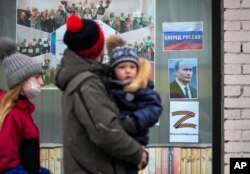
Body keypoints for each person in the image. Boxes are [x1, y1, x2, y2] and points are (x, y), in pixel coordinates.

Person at [54, 15, 148, 174]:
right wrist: (138, 154)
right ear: (97, 49)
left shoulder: (81, 78)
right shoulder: (87, 84)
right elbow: (106, 130)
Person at [106, 35, 163, 174]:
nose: (127, 70)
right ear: (113, 70)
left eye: (132, 66)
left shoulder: (142, 88)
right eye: (122, 67)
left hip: (134, 141)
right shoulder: (108, 87)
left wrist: (135, 120)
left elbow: (153, 108)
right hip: (112, 144)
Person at [0, 37, 50, 174]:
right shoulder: (11, 114)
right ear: (21, 80)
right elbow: (7, 165)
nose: (42, 82)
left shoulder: (23, 110)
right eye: (37, 77)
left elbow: (27, 160)